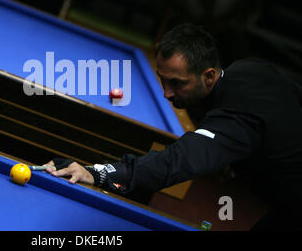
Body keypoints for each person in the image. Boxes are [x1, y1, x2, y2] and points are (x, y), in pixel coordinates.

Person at [43, 23, 302, 231]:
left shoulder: (236, 115)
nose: (166, 94)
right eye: (163, 80)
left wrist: (99, 173)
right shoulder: (250, 69)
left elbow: (179, 160)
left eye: (177, 83)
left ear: (209, 76)